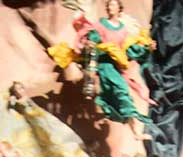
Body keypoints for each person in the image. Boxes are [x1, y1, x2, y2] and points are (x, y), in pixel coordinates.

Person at [48, 0, 156, 144]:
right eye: (109, 5)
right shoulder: (101, 25)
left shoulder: (123, 29)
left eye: (113, 5)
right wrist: (91, 48)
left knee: (125, 97)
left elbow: (130, 49)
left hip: (116, 67)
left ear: (119, 9)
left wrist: (147, 48)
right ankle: (135, 131)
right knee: (122, 92)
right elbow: (93, 43)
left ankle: (136, 132)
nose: (110, 7)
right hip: (104, 64)